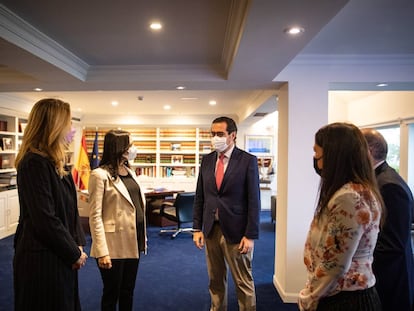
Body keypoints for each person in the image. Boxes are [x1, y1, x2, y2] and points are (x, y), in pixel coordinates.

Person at [298, 122, 384, 311]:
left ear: (333, 156)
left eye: (317, 153)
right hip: (346, 294)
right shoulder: (356, 190)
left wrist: (309, 297)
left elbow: (335, 264)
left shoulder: (348, 198)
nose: (315, 159)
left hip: (344, 299)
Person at [13, 98, 87, 311]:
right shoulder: (33, 164)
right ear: (53, 126)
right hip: (42, 258)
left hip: (59, 253)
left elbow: (70, 211)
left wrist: (77, 243)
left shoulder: (55, 162)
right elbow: (45, 219)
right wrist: (73, 252)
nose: (71, 130)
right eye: (68, 124)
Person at [192, 116, 261, 311]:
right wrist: (197, 228)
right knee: (215, 280)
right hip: (211, 230)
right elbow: (200, 196)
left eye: (220, 134)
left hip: (238, 232)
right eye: (212, 134)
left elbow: (254, 201)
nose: (215, 138)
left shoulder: (247, 161)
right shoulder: (207, 161)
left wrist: (250, 235)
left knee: (243, 281)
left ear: (232, 135)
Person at [89, 130, 146, 311]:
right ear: (119, 148)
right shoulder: (99, 175)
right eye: (130, 145)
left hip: (133, 240)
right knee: (111, 293)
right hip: (112, 244)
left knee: (128, 291)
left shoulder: (129, 170)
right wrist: (101, 251)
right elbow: (95, 215)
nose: (133, 149)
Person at [361, 128, 414, 311]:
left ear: (368, 151)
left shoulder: (390, 186)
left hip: (389, 280)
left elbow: (393, 244)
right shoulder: (379, 179)